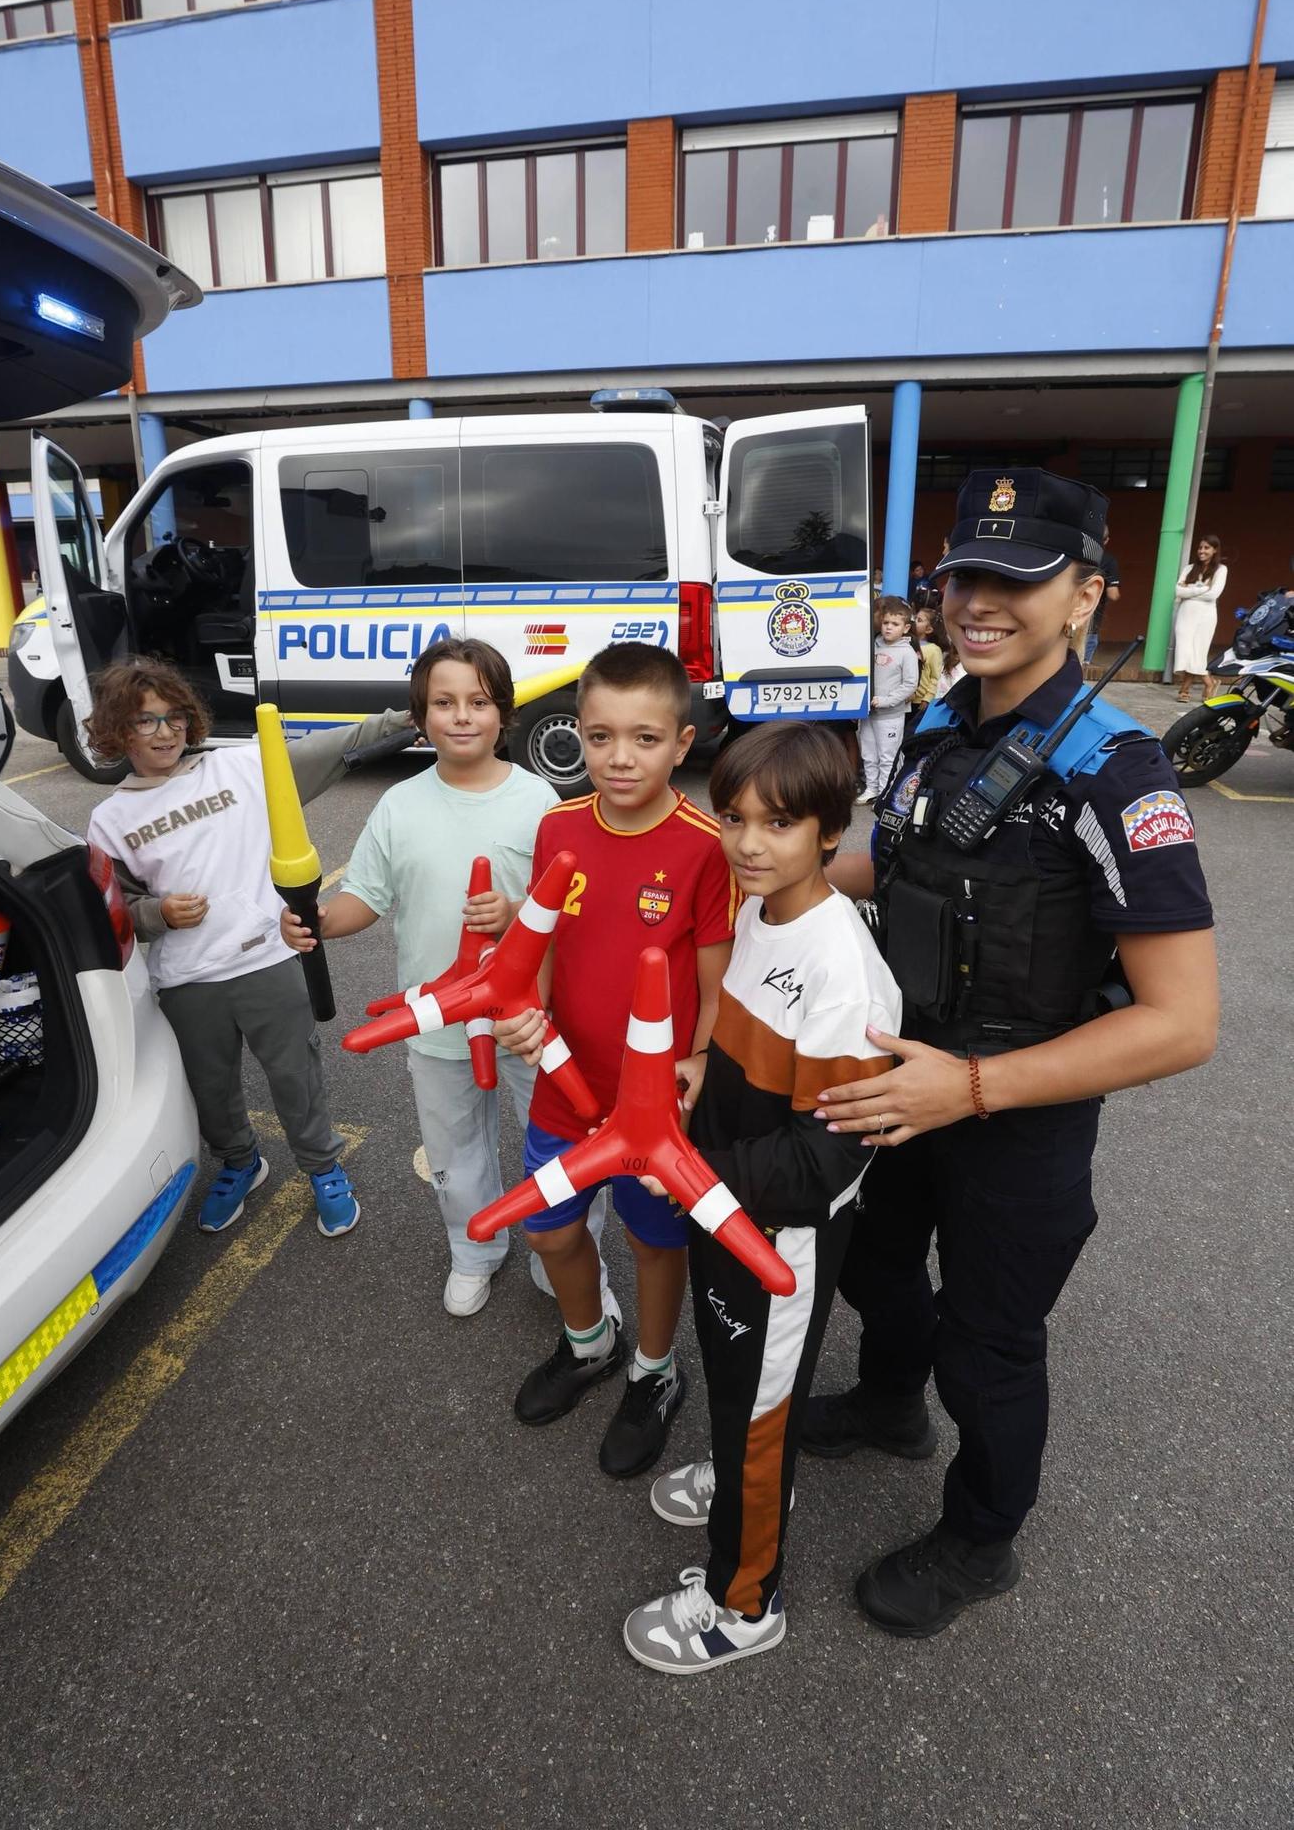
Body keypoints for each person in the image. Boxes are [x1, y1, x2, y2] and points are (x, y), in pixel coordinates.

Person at [800, 468, 1218, 1639]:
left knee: (988, 1346)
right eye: (960, 577)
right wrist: (772, 877)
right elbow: (897, 862)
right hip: (902, 1069)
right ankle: (889, 1403)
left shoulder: (1116, 771)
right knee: (877, 1265)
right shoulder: (937, 722)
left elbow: (1182, 1021)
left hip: (1011, 1106)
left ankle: (981, 1539)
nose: (977, 602)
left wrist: (971, 1087)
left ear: (1086, 594)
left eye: (1016, 579)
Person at [622, 723, 902, 1675]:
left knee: (759, 1405)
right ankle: (756, 1478)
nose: (746, 842)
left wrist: (689, 1169)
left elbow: (825, 1163)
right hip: (723, 1202)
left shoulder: (842, 969)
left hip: (780, 1232)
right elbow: (746, 1063)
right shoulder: (759, 910)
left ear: (831, 830)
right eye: (735, 816)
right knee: (743, 1388)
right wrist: (699, 1086)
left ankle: (744, 1605)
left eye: (778, 823)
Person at [495, 642, 738, 1479]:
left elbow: (714, 980)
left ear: (682, 743)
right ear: (578, 737)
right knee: (549, 1228)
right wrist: (527, 1011)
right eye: (600, 737)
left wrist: (700, 1058)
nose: (618, 757)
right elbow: (547, 944)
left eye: (643, 738)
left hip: (652, 1108)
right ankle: (590, 1343)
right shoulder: (558, 824)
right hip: (564, 1089)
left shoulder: (706, 845)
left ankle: (655, 1371)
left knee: (654, 1245)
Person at [280, 638, 569, 1317]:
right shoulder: (398, 805)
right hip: (437, 1018)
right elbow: (369, 897)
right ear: (419, 715)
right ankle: (475, 1251)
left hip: (529, 1020)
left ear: (505, 713)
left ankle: (563, 1249)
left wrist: (516, 911)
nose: (461, 716)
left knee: (553, 1138)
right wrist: (319, 921)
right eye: (443, 702)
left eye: (478, 701)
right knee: (453, 1144)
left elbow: (570, 907)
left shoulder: (541, 798)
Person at [86, 658, 414, 1238]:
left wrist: (417, 715)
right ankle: (241, 1162)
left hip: (267, 958)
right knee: (210, 1088)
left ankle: (323, 1168)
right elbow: (117, 906)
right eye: (145, 721)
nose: (165, 732)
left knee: (295, 1077)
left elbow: (341, 746)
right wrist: (156, 913)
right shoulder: (110, 819)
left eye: (174, 718)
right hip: (187, 981)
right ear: (117, 732)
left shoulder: (242, 767)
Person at [857, 595, 919, 802]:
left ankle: (885, 792)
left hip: (890, 715)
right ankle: (871, 789)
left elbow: (910, 684)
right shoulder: (872, 645)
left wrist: (886, 700)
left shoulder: (907, 653)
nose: (889, 628)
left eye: (895, 624)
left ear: (906, 628)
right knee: (868, 753)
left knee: (887, 756)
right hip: (868, 712)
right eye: (886, 623)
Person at [1173, 533, 1227, 702]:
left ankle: (1185, 689)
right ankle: (1209, 682)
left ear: (1214, 550)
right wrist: (1202, 589)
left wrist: (1189, 590)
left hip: (1206, 616)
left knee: (1198, 651)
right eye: (1200, 547)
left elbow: (1214, 594)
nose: (1202, 551)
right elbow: (1178, 591)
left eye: (1206, 548)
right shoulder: (1189, 569)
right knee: (1184, 650)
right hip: (1185, 614)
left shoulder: (1221, 569)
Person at [1082, 526, 1121, 668]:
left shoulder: (1075, 554)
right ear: (1106, 540)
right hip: (1091, 612)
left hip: (1066, 611)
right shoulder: (1109, 561)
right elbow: (1113, 594)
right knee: (1083, 662)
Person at [909, 605, 945, 724]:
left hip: (920, 702)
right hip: (906, 699)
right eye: (915, 618)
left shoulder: (934, 650)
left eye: (919, 620)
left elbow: (935, 677)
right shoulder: (906, 644)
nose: (914, 621)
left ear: (929, 629)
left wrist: (927, 698)